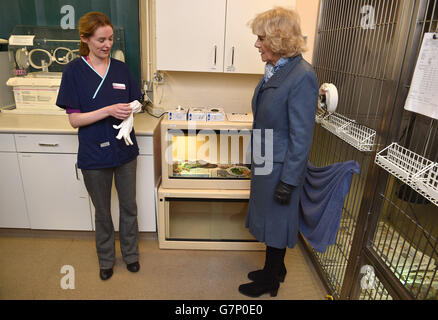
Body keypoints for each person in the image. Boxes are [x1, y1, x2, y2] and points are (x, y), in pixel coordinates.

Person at [239, 7, 319, 297]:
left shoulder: (302, 76)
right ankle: (273, 268)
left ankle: (270, 281)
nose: (257, 44)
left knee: (275, 221)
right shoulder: (277, 69)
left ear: (278, 39)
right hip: (265, 159)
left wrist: (289, 179)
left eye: (261, 38)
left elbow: (302, 135)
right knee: (266, 218)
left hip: (281, 165)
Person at [56, 12, 142, 281]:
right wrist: (107, 110)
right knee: (103, 211)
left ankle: (131, 255)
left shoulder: (121, 69)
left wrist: (132, 112)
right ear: (85, 39)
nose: (107, 45)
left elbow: (135, 101)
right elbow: (74, 120)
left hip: (124, 150)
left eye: (110, 39)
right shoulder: (73, 72)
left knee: (129, 206)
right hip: (94, 152)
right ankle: (106, 259)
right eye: (101, 40)